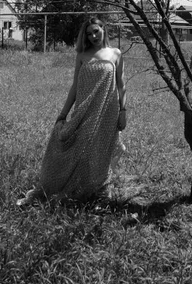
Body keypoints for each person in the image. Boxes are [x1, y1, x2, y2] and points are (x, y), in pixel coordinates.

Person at [17, 17, 127, 205]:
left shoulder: (115, 54)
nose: (93, 36)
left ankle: (99, 190)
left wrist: (123, 111)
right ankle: (75, 186)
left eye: (96, 31)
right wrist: (63, 114)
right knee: (80, 149)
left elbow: (122, 86)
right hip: (84, 110)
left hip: (108, 110)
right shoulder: (82, 55)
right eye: (89, 33)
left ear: (103, 29)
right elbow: (75, 87)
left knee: (101, 150)